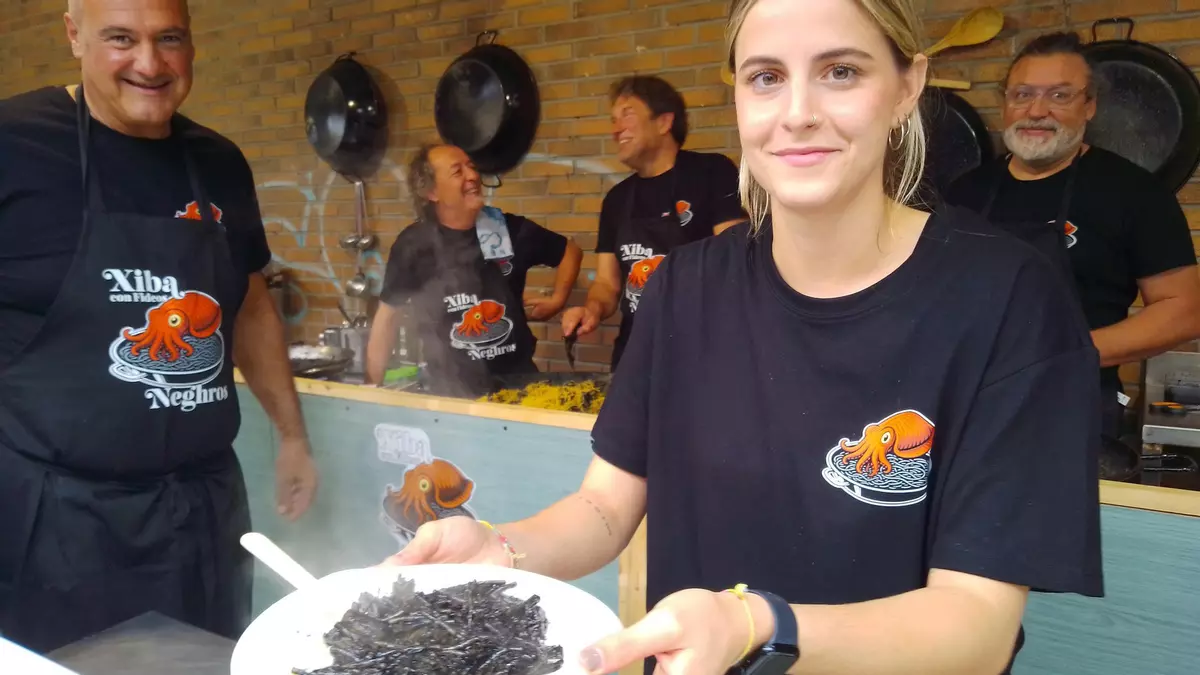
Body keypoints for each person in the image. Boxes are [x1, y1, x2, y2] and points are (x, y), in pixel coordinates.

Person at [386, 1, 1105, 674]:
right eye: (766, 77)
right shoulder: (684, 288)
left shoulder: (1008, 298)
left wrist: (758, 624)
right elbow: (603, 507)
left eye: (841, 71)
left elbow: (978, 628)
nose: (797, 113)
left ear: (907, 86)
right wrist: (502, 549)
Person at [0, 0, 319, 654]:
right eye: (121, 38)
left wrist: (291, 434)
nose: (149, 63)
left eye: (168, 38)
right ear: (74, 34)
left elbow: (250, 304)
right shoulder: (13, 145)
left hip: (203, 513)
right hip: (59, 520)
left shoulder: (219, 161)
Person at [946, 31, 1200, 442]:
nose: (1037, 111)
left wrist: (1065, 354)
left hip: (1072, 404)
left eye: (1060, 96)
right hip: (966, 401)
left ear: (1090, 106)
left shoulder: (1134, 192)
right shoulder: (965, 192)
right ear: (1006, 103)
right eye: (1022, 95)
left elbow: (1184, 310)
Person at [366, 143, 583, 397]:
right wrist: (371, 388)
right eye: (457, 171)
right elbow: (387, 318)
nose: (472, 176)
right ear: (432, 192)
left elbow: (570, 252)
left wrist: (557, 300)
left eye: (471, 167)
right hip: (449, 389)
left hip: (519, 386)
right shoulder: (414, 244)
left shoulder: (508, 230)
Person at [560, 75, 746, 370]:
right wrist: (591, 309)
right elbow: (607, 284)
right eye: (613, 120)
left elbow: (735, 261)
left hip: (704, 355)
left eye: (627, 114)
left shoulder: (712, 172)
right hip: (636, 357)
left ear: (664, 122)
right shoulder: (616, 200)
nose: (615, 129)